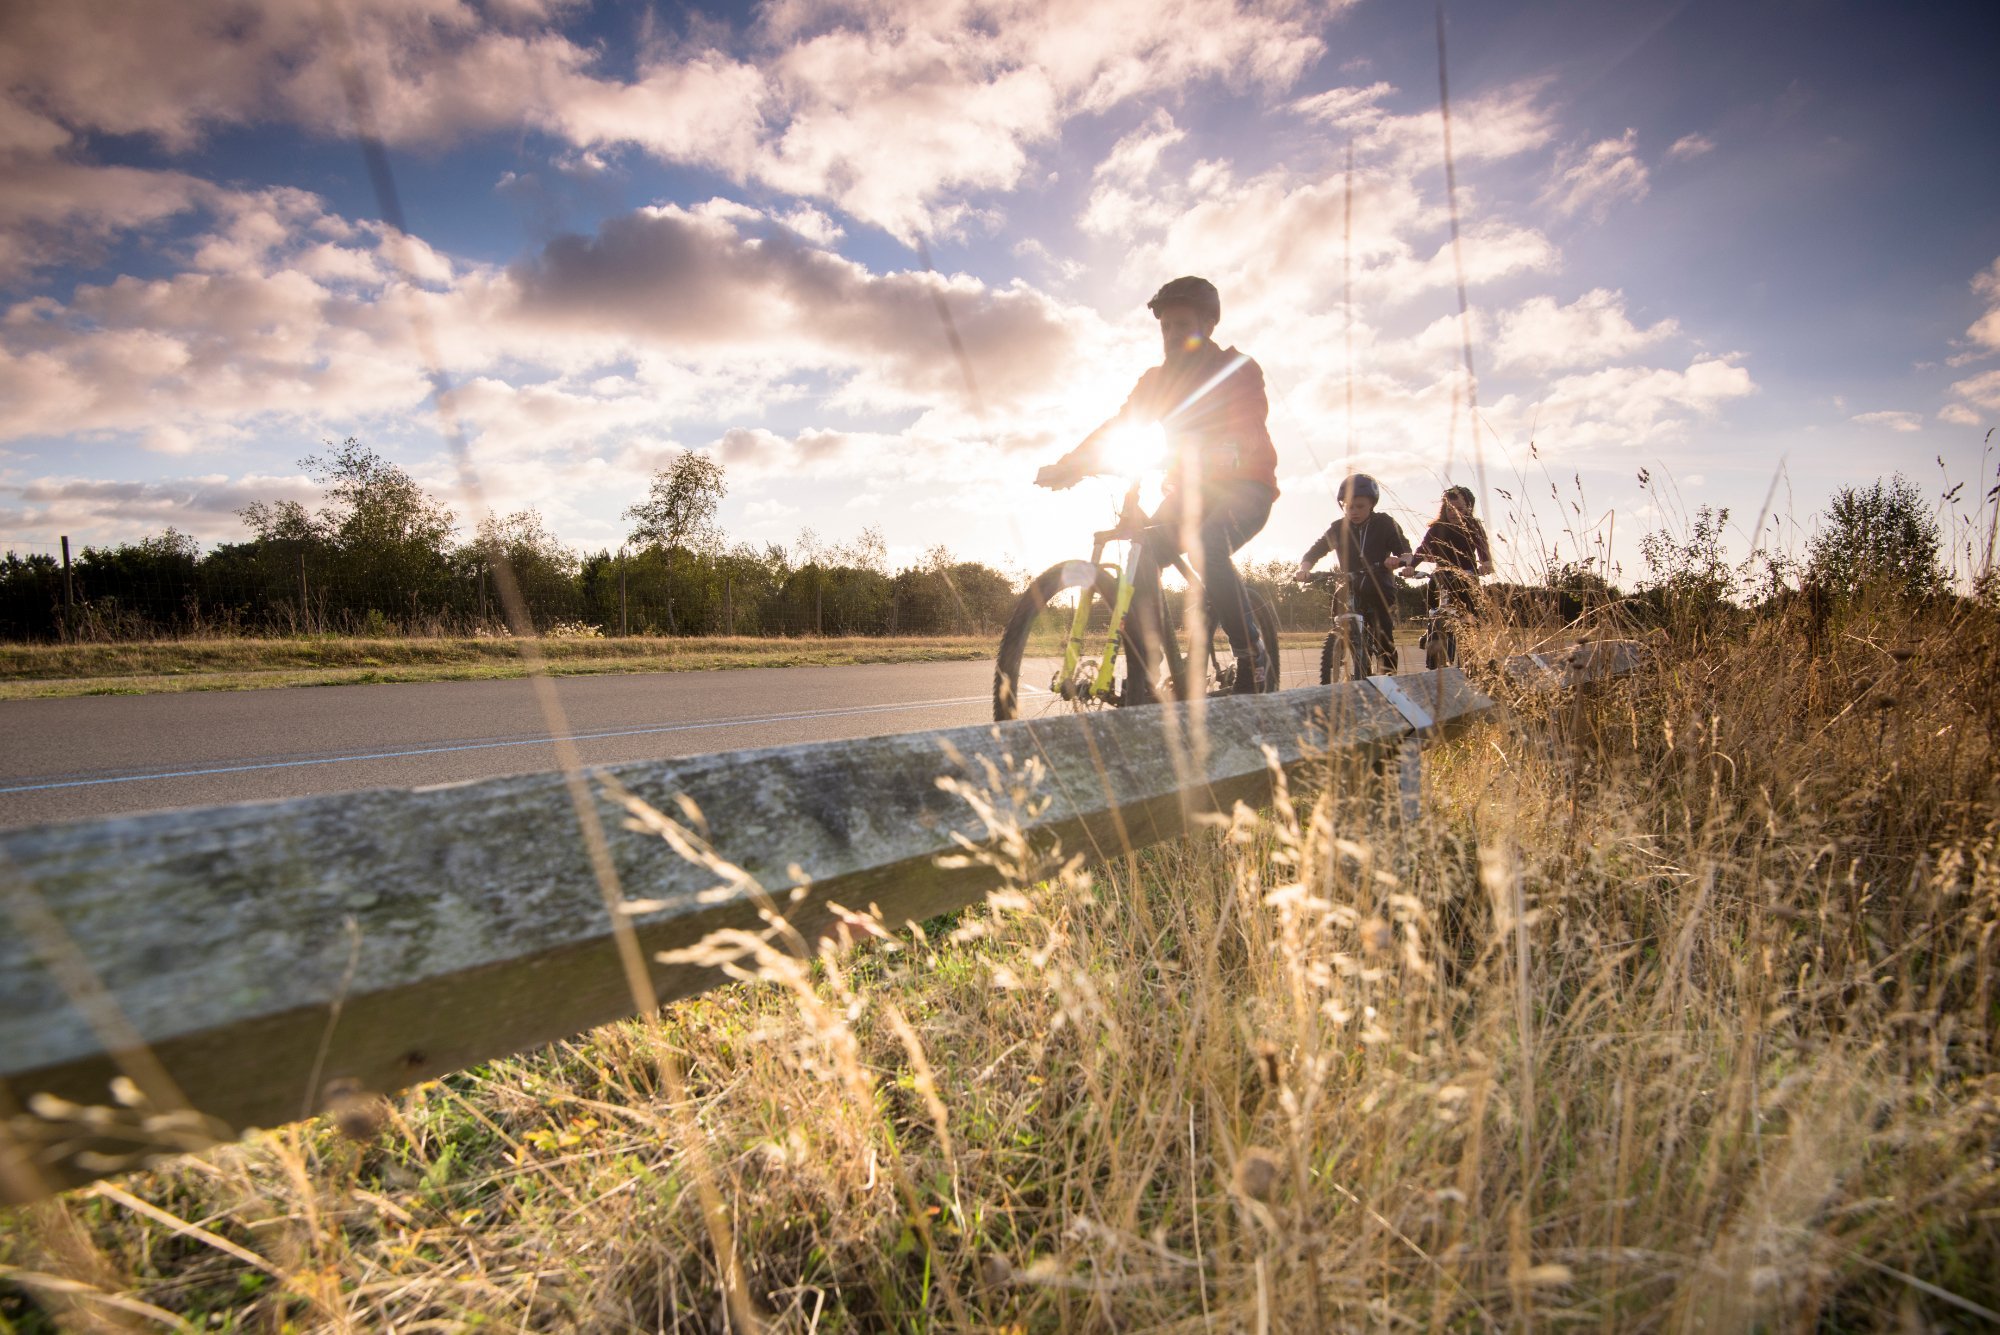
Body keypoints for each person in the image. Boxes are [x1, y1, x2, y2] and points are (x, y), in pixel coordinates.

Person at [1035, 276, 1278, 698]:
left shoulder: (1237, 368)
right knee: (1143, 554)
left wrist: (1232, 447)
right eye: (1165, 327)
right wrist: (1071, 463)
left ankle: (1254, 658)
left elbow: (1248, 423)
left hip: (1244, 489)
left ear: (1208, 325)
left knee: (1205, 543)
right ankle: (1146, 671)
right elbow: (1120, 425)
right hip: (1187, 496)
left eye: (1182, 325)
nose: (1171, 336)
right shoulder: (1156, 381)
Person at [1292, 473, 1412, 670]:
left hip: (1379, 583)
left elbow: (1405, 550)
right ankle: (1340, 643)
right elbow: (1315, 551)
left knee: (1383, 634)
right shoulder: (1339, 528)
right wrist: (1304, 569)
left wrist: (1402, 561)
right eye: (1348, 506)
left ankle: (1388, 677)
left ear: (1372, 504)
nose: (1354, 511)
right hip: (1348, 581)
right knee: (1339, 603)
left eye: (1360, 506)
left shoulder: (1384, 523)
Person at [1405, 484, 1494, 618]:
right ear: (1444, 509)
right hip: (1442, 575)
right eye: (1450, 509)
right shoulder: (1437, 528)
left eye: (1460, 509)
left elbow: (1482, 548)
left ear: (1468, 509)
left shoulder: (1473, 526)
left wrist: (1486, 564)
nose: (1454, 513)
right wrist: (1411, 566)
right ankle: (1433, 626)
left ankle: (1472, 625)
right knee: (1433, 590)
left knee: (1472, 610)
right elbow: (1423, 549)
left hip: (1467, 575)